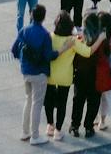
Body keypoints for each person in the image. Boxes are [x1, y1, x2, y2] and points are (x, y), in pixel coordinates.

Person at [12, 4, 57, 144]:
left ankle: (25, 132)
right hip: (39, 73)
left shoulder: (23, 30)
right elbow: (49, 56)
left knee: (28, 100)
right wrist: (60, 51)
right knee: (37, 104)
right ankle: (35, 136)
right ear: (43, 17)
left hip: (26, 71)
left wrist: (24, 60)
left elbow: (13, 50)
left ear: (31, 15)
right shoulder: (44, 34)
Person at [71, 13, 110, 136]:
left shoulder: (80, 39)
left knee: (78, 101)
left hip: (80, 75)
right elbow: (107, 54)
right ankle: (88, 126)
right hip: (95, 75)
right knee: (93, 101)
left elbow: (74, 57)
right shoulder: (102, 40)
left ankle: (75, 126)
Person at [44, 10, 78, 140]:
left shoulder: (50, 37)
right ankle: (58, 130)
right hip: (65, 77)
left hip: (50, 75)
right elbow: (87, 52)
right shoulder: (72, 40)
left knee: (49, 101)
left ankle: (50, 125)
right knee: (62, 103)